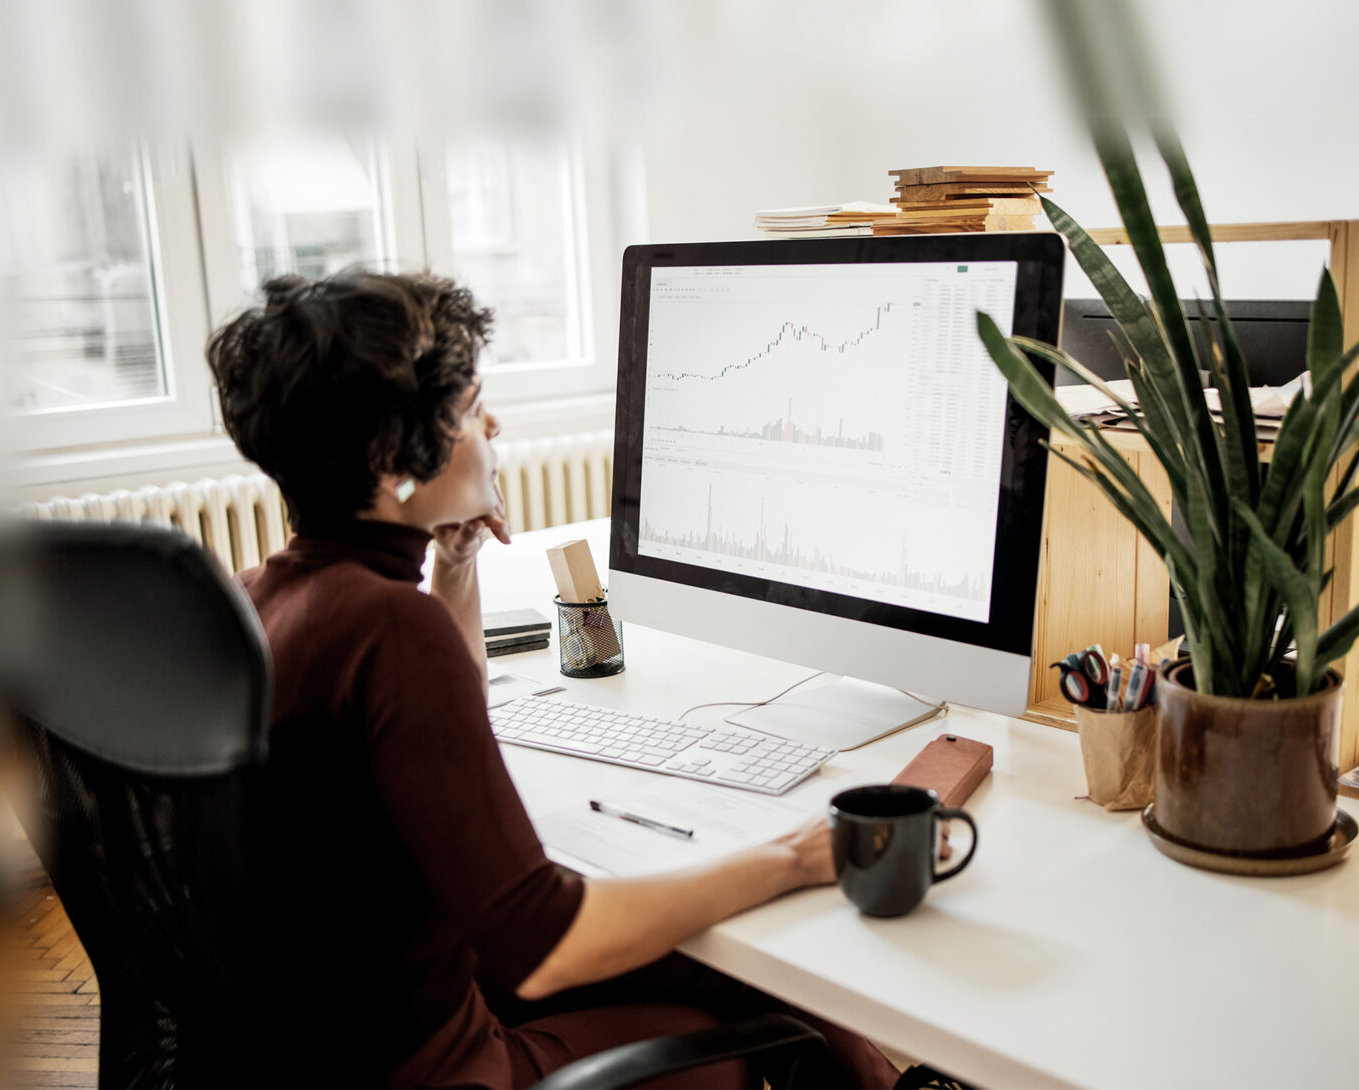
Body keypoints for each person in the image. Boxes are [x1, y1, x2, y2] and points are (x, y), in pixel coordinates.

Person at [205, 269, 901, 1089]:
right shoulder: (389, 627)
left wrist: (455, 569)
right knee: (766, 1026)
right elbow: (543, 939)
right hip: (447, 1065)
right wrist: (789, 859)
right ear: (391, 457)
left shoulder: (266, 595)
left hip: (355, 1033)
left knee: (731, 972)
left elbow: (430, 730)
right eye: (467, 410)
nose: (491, 423)